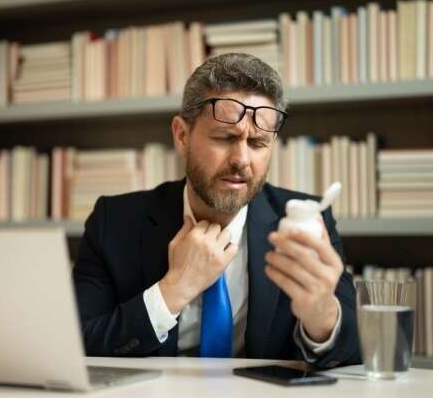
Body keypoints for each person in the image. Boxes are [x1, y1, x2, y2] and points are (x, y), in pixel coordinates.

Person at [73, 52, 361, 368]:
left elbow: (354, 352)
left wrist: (321, 314)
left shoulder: (307, 222)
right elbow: (77, 344)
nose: (241, 160)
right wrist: (173, 290)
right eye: (225, 138)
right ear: (182, 136)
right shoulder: (113, 221)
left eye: (258, 143)